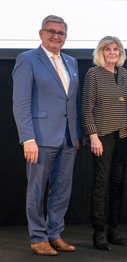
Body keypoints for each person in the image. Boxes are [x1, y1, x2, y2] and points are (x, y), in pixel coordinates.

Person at [12, 15, 80, 256]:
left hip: (68, 138)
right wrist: (28, 138)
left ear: (65, 37)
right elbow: (21, 103)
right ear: (41, 33)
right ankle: (38, 237)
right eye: (51, 31)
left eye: (60, 33)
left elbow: (72, 102)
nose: (56, 36)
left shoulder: (71, 62)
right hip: (40, 139)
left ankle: (54, 233)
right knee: (37, 189)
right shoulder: (27, 59)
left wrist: (76, 134)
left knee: (62, 189)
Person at [81, 36, 127, 251]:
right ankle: (99, 232)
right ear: (101, 52)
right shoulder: (93, 73)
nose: (112, 52)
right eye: (108, 49)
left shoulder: (124, 74)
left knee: (118, 184)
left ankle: (114, 230)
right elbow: (86, 109)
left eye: (115, 49)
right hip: (102, 136)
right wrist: (93, 136)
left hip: (123, 136)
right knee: (101, 185)